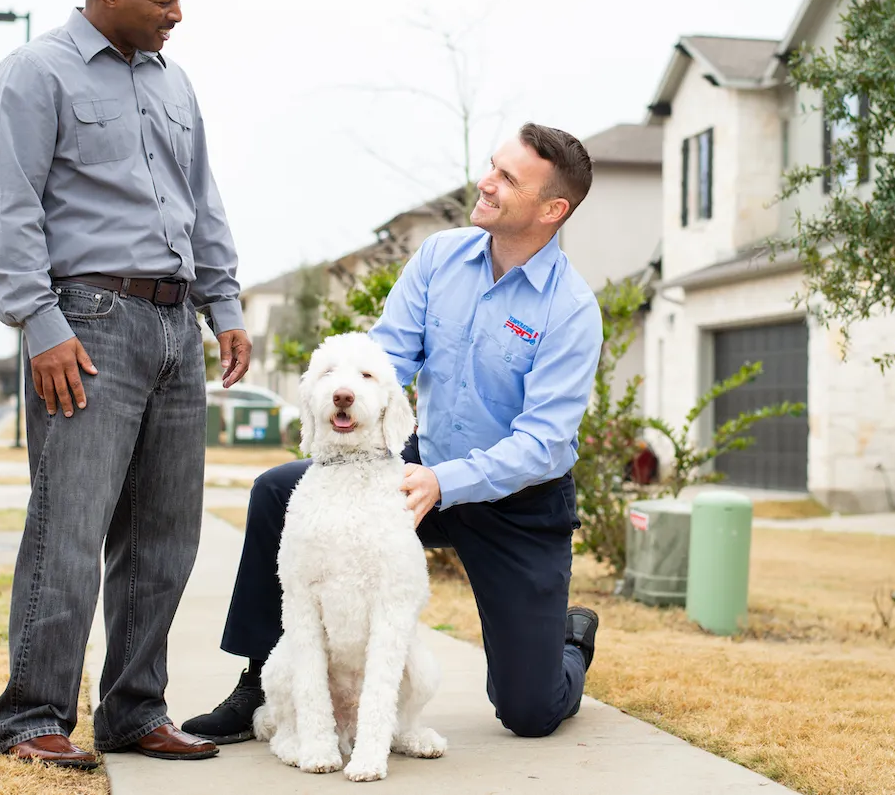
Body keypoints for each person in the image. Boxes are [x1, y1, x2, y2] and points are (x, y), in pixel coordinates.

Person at [183, 123, 604, 745]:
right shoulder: (439, 257)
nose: (485, 183)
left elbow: (543, 443)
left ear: (552, 210)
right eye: (493, 166)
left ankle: (566, 641)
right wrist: (342, 395)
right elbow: (387, 362)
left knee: (530, 712)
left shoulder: (570, 309)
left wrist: (445, 482)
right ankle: (261, 681)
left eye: (507, 179)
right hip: (411, 475)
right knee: (280, 493)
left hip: (517, 502)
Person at [0, 0, 251, 769]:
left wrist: (225, 302)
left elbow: (200, 201)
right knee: (70, 527)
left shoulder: (175, 86)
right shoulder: (34, 74)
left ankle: (133, 709)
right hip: (88, 324)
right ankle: (30, 719)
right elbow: (9, 204)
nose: (177, 14)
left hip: (176, 326)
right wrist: (40, 322)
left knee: (166, 533)